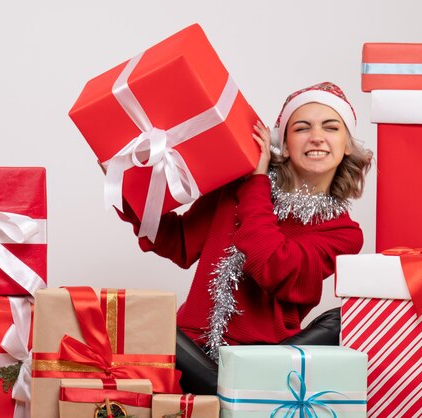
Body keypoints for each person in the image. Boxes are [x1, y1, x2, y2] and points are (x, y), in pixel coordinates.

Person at [117, 82, 373, 394]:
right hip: (192, 350)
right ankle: (217, 389)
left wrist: (257, 183)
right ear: (284, 142)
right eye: (302, 127)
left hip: (259, 361)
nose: (317, 137)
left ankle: (224, 391)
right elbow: (180, 243)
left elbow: (273, 267)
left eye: (331, 127)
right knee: (139, 318)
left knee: (342, 318)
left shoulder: (343, 233)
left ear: (347, 144)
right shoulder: (239, 185)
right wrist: (127, 182)